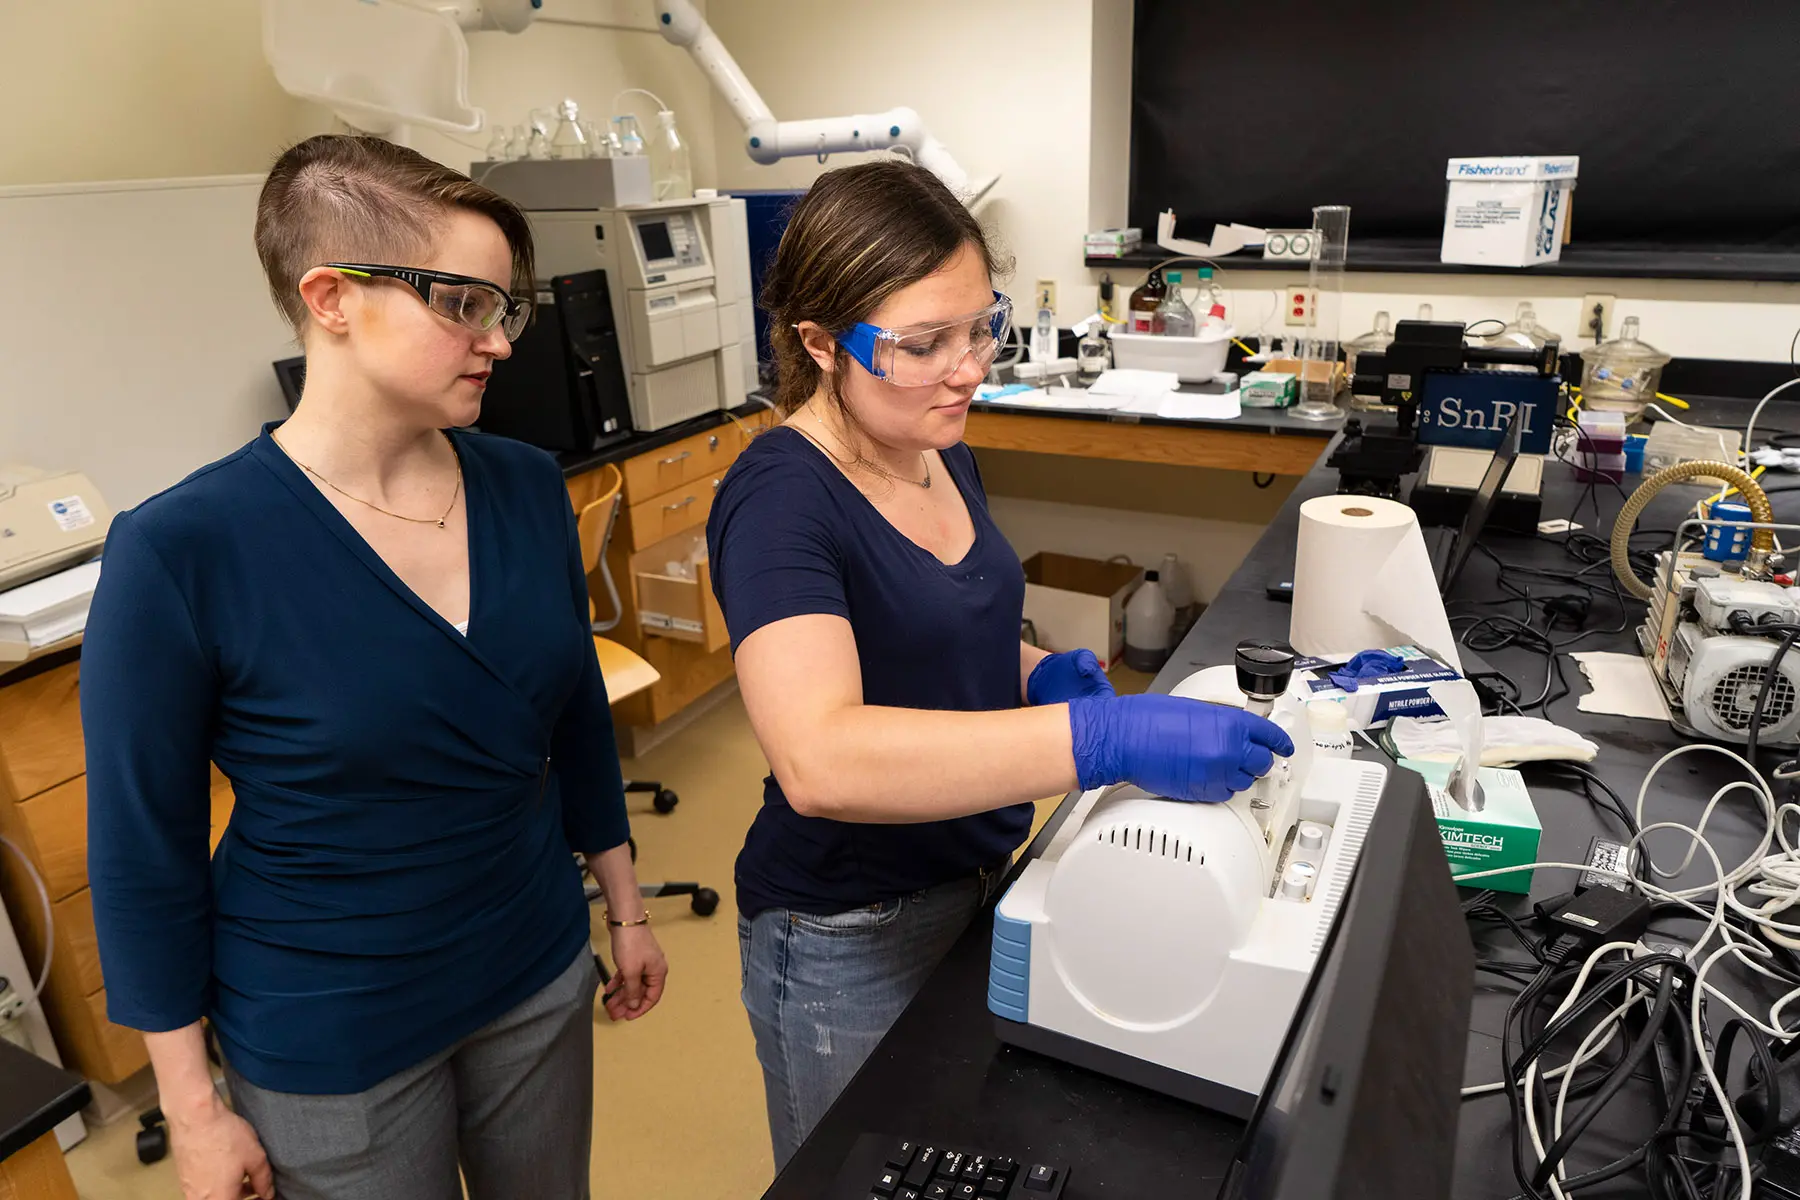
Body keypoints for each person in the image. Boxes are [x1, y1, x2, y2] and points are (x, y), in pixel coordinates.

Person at [81, 135, 667, 1200]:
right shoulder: (182, 549)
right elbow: (139, 852)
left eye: (505, 307)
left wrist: (623, 904)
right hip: (331, 1020)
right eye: (464, 304)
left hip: (534, 963)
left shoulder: (527, 485)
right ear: (331, 298)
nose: (497, 339)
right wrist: (194, 1107)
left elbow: (574, 712)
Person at [705, 159, 1294, 1169]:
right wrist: (1099, 735)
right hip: (852, 926)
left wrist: (1028, 673)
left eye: (982, 325)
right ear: (817, 343)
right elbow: (822, 757)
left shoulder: (938, 444)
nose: (969, 366)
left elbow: (934, 629)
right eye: (922, 343)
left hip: (985, 878)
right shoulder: (780, 501)